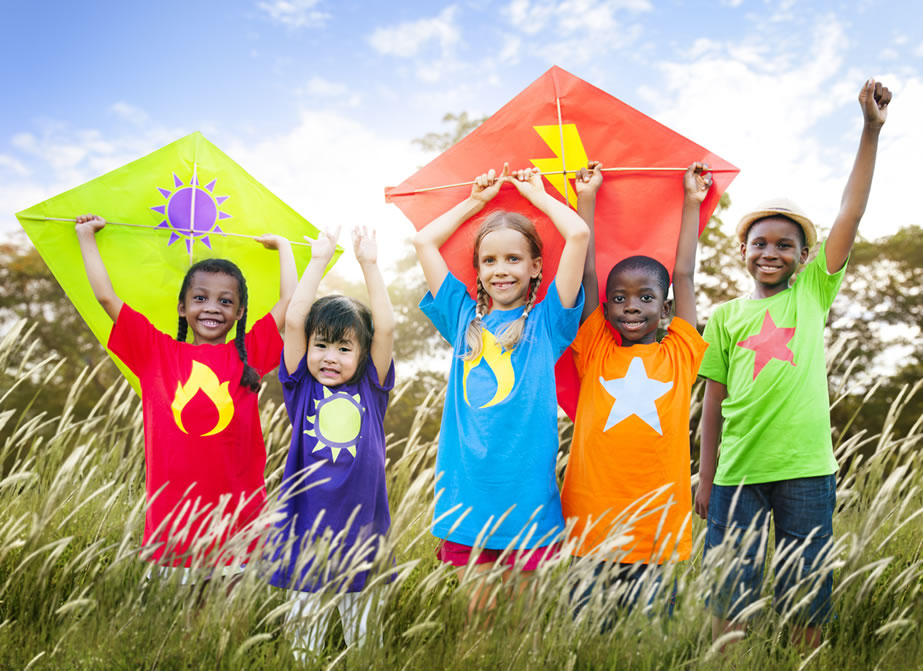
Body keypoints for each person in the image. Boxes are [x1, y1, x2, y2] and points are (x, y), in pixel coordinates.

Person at [695, 79, 892, 649]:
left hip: (806, 467)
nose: (771, 252)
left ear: (806, 257)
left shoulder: (811, 294)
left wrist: (870, 130)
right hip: (736, 474)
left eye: (786, 245)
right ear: (742, 251)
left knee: (807, 583)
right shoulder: (726, 316)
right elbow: (712, 401)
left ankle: (806, 660)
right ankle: (729, 660)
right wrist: (706, 476)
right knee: (731, 584)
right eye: (760, 243)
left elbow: (849, 212)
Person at [413, 163, 589, 616]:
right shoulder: (461, 318)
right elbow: (424, 241)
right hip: (466, 497)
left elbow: (579, 236)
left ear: (535, 268)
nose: (501, 270)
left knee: (521, 633)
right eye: (489, 260)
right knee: (480, 625)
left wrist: (536, 196)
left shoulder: (548, 322)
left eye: (514, 259)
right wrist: (475, 201)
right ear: (477, 270)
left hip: (527, 499)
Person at [75, 214, 295, 572]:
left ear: (240, 312)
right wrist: (87, 236)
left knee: (225, 625)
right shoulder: (154, 353)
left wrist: (284, 247)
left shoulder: (248, 354)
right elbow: (105, 296)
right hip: (172, 526)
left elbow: (289, 302)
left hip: (237, 522)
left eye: (225, 302)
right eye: (200, 298)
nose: (212, 307)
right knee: (175, 626)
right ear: (182, 307)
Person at [562, 161, 712, 615]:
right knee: (588, 634)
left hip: (656, 521)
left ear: (665, 310)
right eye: (620, 298)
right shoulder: (595, 349)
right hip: (592, 518)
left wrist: (691, 201)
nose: (632, 306)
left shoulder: (681, 353)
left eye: (646, 298)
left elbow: (682, 274)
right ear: (605, 309)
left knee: (646, 639)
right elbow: (588, 276)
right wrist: (585, 199)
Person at [268, 225, 395, 655]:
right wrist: (318, 260)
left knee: (365, 644)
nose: (329, 356)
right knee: (303, 642)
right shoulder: (301, 385)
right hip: (306, 533)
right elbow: (293, 319)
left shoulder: (371, 388)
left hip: (364, 535)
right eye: (321, 345)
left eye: (344, 349)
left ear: (362, 356)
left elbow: (386, 331)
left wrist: (370, 264)